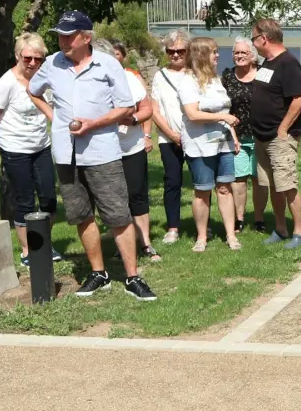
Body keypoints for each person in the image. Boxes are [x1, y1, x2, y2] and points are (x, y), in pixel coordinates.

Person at [29, 11, 157, 301]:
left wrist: (94, 124)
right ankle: (99, 273)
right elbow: (33, 90)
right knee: (81, 215)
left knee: (118, 215)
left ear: (86, 37)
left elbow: (126, 107)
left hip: (102, 151)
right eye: (60, 36)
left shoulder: (108, 64)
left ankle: (133, 277)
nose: (63, 41)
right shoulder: (52, 64)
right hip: (66, 154)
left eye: (69, 36)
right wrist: (54, 116)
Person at [0, 32, 62, 266]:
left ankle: (44, 243)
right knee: (25, 201)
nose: (32, 63)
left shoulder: (44, 80)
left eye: (38, 59)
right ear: (18, 55)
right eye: (27, 58)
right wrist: (5, 130)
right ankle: (28, 250)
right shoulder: (6, 83)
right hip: (15, 149)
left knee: (49, 198)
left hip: (41, 145)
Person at [95, 40, 160, 264]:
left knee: (137, 195)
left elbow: (147, 109)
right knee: (114, 199)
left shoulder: (129, 78)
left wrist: (132, 120)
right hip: (103, 150)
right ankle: (121, 245)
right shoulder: (89, 82)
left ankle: (145, 243)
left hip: (132, 147)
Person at [175, 36, 241, 251]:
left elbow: (224, 111)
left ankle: (231, 235)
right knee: (202, 191)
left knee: (225, 188)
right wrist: (224, 118)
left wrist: (234, 136)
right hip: (200, 145)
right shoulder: (187, 81)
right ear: (201, 55)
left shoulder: (215, 79)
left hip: (223, 143)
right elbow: (193, 114)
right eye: (214, 51)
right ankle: (202, 237)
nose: (217, 55)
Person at [249, 19, 301, 248]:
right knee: (273, 184)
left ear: (264, 38)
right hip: (262, 136)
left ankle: (299, 232)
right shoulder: (268, 63)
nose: (253, 43)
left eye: (254, 38)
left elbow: (298, 100)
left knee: (287, 184)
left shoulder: (288, 63)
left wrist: (282, 129)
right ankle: (281, 228)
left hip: (279, 137)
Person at [149, 30, 191, 246]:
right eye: (170, 51)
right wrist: (173, 135)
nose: (175, 54)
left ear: (188, 51)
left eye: (180, 50)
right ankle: (173, 227)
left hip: (194, 137)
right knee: (172, 182)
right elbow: (155, 110)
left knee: (202, 182)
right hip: (168, 138)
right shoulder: (159, 76)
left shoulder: (195, 73)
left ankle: (204, 226)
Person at [223, 36, 262, 233]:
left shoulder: (263, 73)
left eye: (243, 52)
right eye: (236, 52)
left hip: (261, 136)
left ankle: (259, 219)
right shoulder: (227, 76)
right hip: (236, 137)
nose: (239, 56)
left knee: (259, 179)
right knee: (239, 179)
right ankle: (239, 219)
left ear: (252, 55)